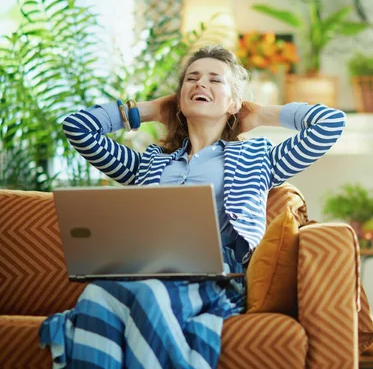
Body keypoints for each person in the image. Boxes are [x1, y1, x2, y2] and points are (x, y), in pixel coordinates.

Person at [39, 45, 346, 368]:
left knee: (150, 296)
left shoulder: (258, 160)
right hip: (146, 268)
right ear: (179, 99)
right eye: (192, 78)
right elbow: (78, 127)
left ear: (233, 102)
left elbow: (329, 124)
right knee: (96, 296)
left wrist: (261, 114)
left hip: (218, 275)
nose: (201, 84)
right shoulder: (149, 163)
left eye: (216, 80)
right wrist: (147, 110)